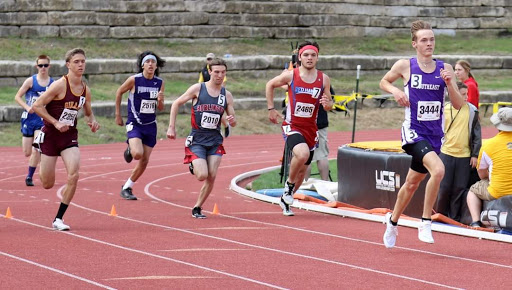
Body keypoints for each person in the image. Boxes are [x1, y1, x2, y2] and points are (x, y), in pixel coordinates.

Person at [379, 20, 464, 248]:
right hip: (413, 132)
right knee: (438, 170)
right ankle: (426, 221)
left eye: (432, 39)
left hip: (435, 135)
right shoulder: (405, 66)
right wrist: (396, 90)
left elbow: (457, 105)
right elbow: (383, 81)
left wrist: (450, 85)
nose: (429, 43)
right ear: (414, 44)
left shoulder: (444, 69)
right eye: (424, 40)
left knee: (411, 184)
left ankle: (393, 221)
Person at [32, 48, 100, 231]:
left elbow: (88, 112)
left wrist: (93, 122)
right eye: (76, 61)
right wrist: (55, 122)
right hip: (51, 136)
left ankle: (58, 218)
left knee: (74, 174)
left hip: (69, 137)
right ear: (68, 65)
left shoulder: (85, 90)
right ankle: (38, 148)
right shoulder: (60, 85)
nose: (80, 65)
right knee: (47, 184)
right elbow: (37, 105)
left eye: (82, 61)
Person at [266, 41, 333, 216]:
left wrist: (328, 104)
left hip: (311, 129)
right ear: (300, 57)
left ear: (317, 57)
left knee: (302, 173)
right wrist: (271, 109)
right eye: (306, 55)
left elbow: (329, 104)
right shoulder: (291, 75)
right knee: (301, 154)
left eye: (313, 55)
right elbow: (270, 85)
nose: (309, 58)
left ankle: (286, 200)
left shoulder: (323, 79)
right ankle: (288, 186)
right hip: (292, 126)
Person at [167, 58, 236, 219]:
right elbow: (176, 103)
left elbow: (233, 117)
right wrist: (171, 126)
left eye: (223, 72)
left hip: (215, 140)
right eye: (216, 72)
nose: (220, 75)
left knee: (212, 175)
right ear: (209, 72)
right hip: (197, 139)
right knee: (201, 175)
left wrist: (232, 121)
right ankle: (193, 165)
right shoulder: (198, 88)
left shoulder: (227, 95)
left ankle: (197, 207)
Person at [115, 51, 165, 200]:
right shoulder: (134, 80)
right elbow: (119, 92)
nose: (150, 64)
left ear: (156, 66)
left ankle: (127, 187)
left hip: (150, 125)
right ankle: (131, 148)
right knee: (137, 154)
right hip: (135, 123)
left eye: (153, 62)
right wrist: (118, 114)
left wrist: (160, 100)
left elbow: (160, 108)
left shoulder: (159, 83)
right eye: (147, 61)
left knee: (144, 160)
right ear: (142, 65)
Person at [435, 82, 481, 222]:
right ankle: (439, 215)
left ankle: (454, 218)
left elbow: (476, 134)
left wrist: (474, 154)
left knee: (459, 189)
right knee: (444, 187)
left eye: (466, 94)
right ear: (453, 95)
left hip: (464, 156)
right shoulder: (444, 109)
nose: (466, 97)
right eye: (462, 95)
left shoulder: (472, 111)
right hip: (446, 153)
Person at [466, 107, 512, 227]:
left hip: (497, 191)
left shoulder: (488, 145)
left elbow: (481, 173)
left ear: (497, 125)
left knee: (473, 190)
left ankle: (475, 221)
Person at [14, 55, 54, 187]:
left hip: (42, 120)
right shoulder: (31, 81)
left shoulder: (53, 84)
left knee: (36, 149)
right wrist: (27, 107)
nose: (43, 68)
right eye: (41, 65)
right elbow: (17, 97)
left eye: (45, 65)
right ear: (37, 66)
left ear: (49, 66)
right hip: (29, 119)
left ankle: (29, 176)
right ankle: (40, 162)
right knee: (27, 152)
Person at [304, 86, 335, 181]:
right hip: (320, 121)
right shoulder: (323, 79)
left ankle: (304, 184)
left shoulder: (297, 78)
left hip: (304, 122)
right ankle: (325, 183)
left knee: (305, 156)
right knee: (322, 155)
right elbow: (331, 99)